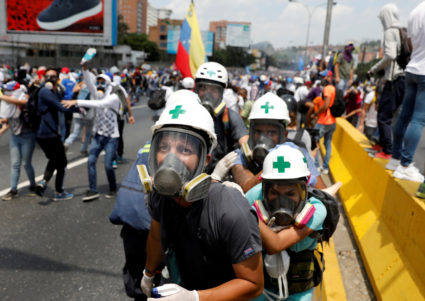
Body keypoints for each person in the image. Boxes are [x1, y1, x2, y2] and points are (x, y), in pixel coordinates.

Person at [140, 92, 264, 300]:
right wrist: (149, 273)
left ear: (205, 159)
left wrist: (195, 298)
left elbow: (253, 283)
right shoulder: (160, 196)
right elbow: (155, 236)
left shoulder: (230, 209)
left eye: (185, 149)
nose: (171, 158)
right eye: (164, 147)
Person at [245, 145, 327, 301]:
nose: (282, 201)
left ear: (305, 188)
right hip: (262, 288)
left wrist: (249, 214)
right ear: (264, 189)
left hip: (298, 291)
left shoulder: (317, 209)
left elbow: (276, 245)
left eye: (291, 194)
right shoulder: (254, 196)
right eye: (274, 193)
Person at [229, 92, 320, 193]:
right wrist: (277, 161)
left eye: (271, 132)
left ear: (284, 135)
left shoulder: (299, 153)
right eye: (258, 132)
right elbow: (247, 188)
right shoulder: (241, 155)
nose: (263, 138)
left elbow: (323, 193)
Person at [62, 64, 121, 201]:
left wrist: (77, 101)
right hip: (99, 135)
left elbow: (100, 105)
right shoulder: (96, 94)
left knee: (107, 165)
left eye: (102, 82)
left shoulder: (113, 97)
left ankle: (113, 188)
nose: (99, 84)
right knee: (91, 161)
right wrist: (84, 68)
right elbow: (88, 82)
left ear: (108, 84)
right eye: (98, 82)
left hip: (111, 137)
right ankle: (93, 190)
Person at [384, 1, 425, 184]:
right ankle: (406, 165)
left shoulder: (415, 11)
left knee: (404, 116)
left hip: (412, 68)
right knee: (418, 119)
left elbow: (410, 42)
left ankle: (395, 159)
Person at [194, 62, 248, 174]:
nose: (207, 94)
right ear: (197, 89)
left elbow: (246, 144)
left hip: (220, 176)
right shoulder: (188, 113)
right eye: (203, 88)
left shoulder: (229, 116)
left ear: (221, 92)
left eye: (213, 90)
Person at [367, 3, 405, 160]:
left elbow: (390, 55)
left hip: (394, 79)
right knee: (386, 113)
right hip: (402, 79)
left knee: (384, 115)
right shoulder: (402, 31)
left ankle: (387, 150)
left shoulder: (390, 32)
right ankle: (382, 144)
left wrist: (373, 69)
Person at [35, 68, 78, 200]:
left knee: (56, 159)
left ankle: (45, 183)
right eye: (47, 76)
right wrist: (82, 108)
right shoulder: (44, 91)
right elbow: (60, 106)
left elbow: (64, 100)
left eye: (53, 77)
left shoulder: (55, 91)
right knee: (61, 161)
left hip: (50, 133)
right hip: (47, 133)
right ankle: (58, 192)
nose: (50, 79)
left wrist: (74, 96)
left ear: (57, 79)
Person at [0, 81, 37, 201]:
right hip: (15, 136)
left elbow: (22, 102)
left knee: (26, 163)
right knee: (15, 164)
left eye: (8, 91)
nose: (6, 93)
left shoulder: (24, 101)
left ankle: (33, 184)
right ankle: (13, 190)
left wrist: (2, 96)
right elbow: (9, 123)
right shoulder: (8, 105)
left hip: (27, 136)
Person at [311, 71, 336, 175]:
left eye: (324, 76)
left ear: (329, 77)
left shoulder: (327, 89)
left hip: (324, 121)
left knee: (315, 141)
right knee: (328, 143)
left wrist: (316, 113)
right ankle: (325, 167)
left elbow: (325, 105)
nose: (322, 78)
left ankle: (316, 165)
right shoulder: (334, 88)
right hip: (332, 121)